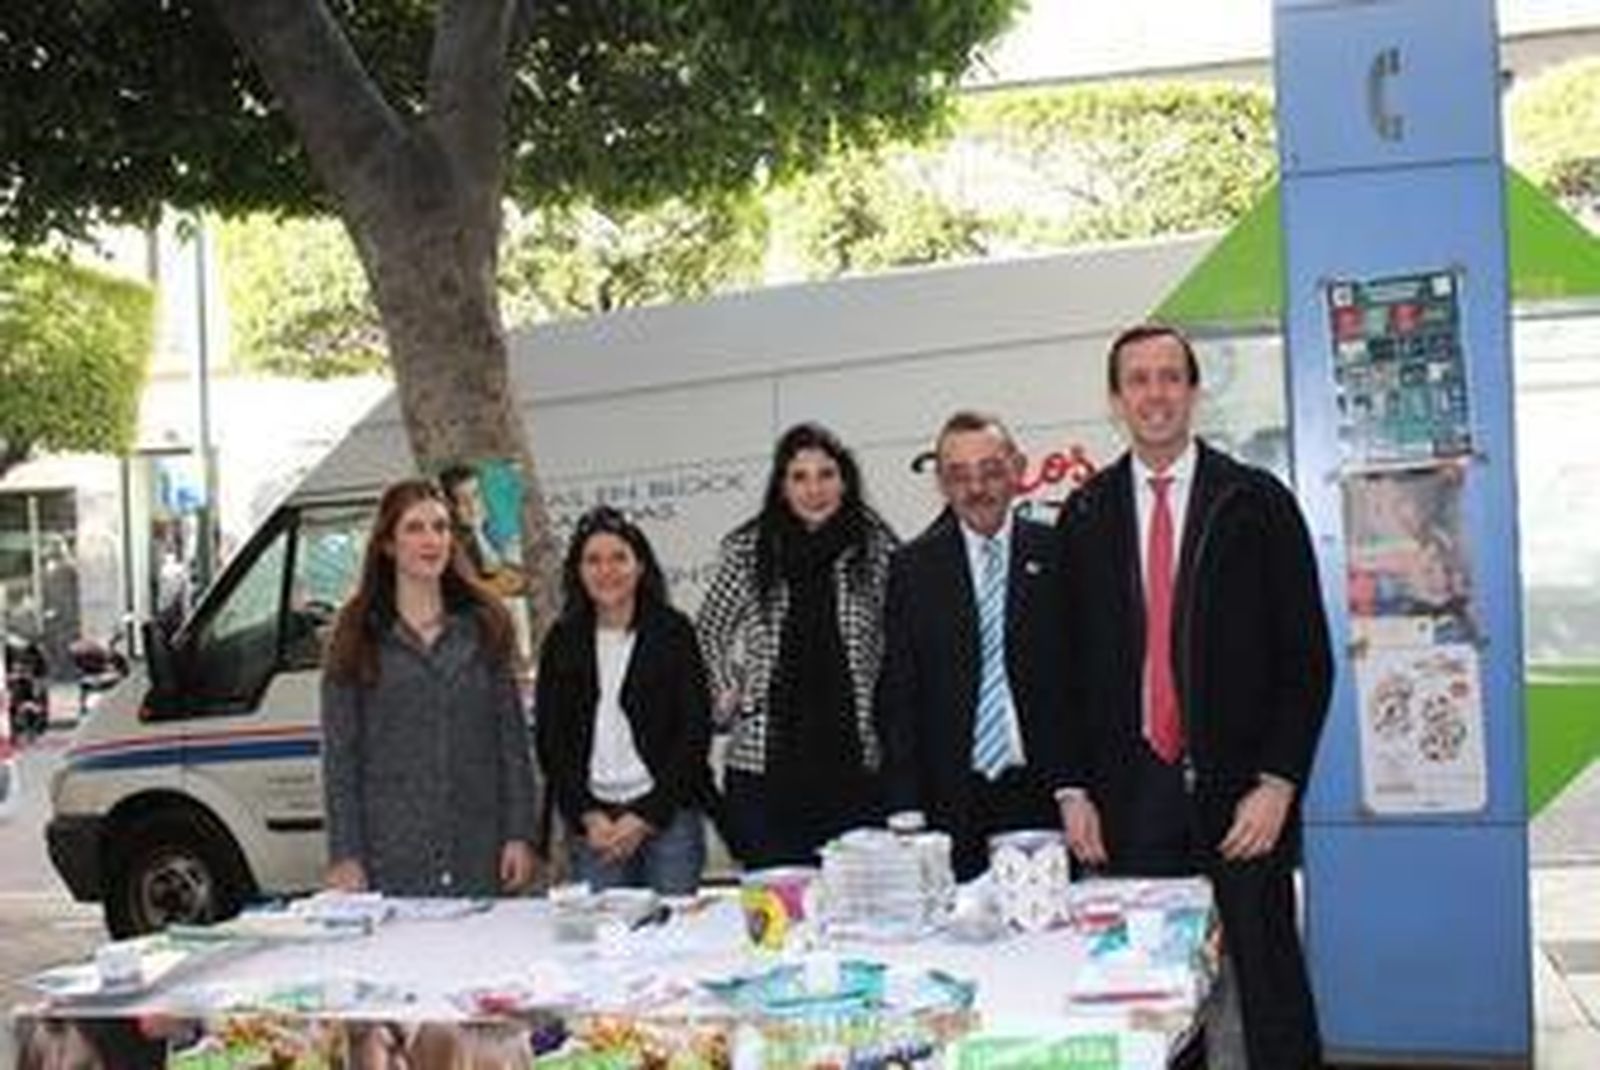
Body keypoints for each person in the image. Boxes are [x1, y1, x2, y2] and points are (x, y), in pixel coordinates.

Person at [1056, 324, 1333, 1068]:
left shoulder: (1254, 502)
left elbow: (1306, 661)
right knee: (1145, 995)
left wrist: (1278, 783)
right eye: (1138, 380)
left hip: (1243, 796)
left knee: (1269, 986)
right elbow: (1061, 673)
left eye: (1170, 377)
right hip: (1131, 795)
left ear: (1194, 391)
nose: (1156, 394)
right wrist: (1074, 789)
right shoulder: (1083, 516)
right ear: (1116, 400)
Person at [876, 411, 1070, 881]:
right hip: (949, 800)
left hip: (1043, 792)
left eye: (990, 470)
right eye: (959, 475)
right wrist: (905, 811)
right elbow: (899, 696)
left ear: (1017, 468)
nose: (976, 488)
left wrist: (1079, 790)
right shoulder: (912, 568)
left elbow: (1079, 684)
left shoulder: (1059, 551)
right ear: (941, 483)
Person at [321, 478, 538, 897]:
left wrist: (519, 833)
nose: (431, 540)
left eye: (440, 527)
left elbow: (511, 741)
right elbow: (340, 758)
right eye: (415, 528)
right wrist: (345, 855)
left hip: (479, 847)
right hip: (390, 855)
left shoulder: (486, 624)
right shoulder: (354, 634)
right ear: (387, 544)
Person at [696, 422, 899, 867]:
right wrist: (733, 688)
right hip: (766, 773)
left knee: (857, 913)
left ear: (845, 481)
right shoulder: (750, 549)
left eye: (826, 474)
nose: (814, 489)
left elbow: (899, 642)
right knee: (779, 915)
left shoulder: (877, 548)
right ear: (782, 486)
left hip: (855, 771)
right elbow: (709, 630)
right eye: (799, 477)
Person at [534, 506, 717, 894]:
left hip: (669, 818)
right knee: (606, 944)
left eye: (619, 557)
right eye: (593, 560)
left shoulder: (672, 632)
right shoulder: (562, 640)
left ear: (640, 566)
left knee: (674, 938)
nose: (607, 571)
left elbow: (694, 730)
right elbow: (552, 740)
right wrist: (587, 815)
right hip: (595, 825)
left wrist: (646, 816)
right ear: (578, 572)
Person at [439, 464, 526, 596]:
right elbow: (470, 586)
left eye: (475, 496)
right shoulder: (454, 542)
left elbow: (509, 564)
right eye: (463, 501)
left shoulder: (488, 526)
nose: (473, 507)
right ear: (450, 506)